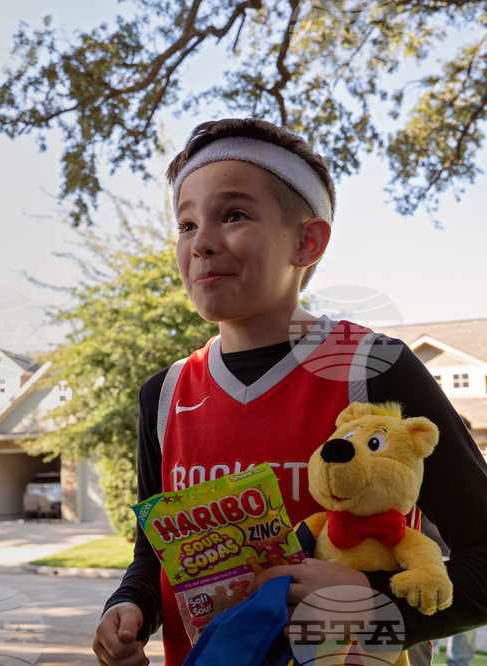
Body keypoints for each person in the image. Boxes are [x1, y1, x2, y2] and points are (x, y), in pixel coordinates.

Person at [91, 118, 487, 666]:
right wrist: (128, 607)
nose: (201, 243)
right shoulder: (163, 394)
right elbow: (153, 557)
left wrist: (370, 601)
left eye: (234, 215)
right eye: (186, 224)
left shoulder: (375, 367)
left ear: (306, 242)